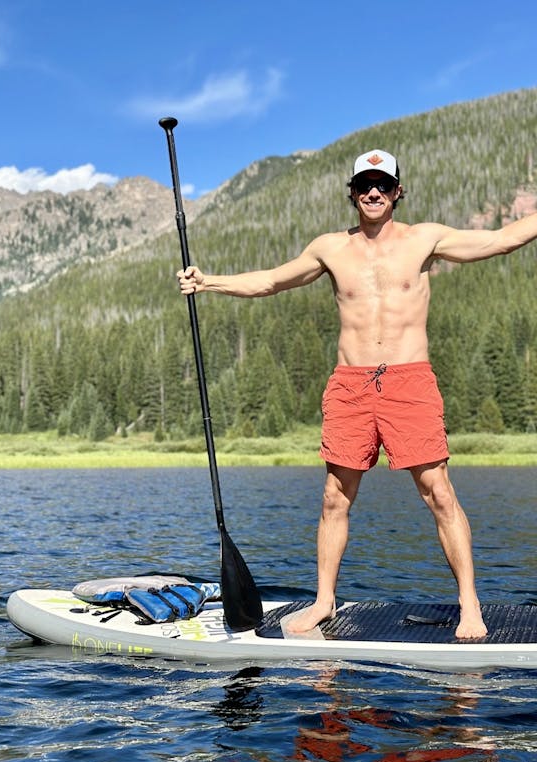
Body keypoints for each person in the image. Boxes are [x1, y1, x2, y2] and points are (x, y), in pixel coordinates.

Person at [177, 148, 537, 639]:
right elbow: (271, 281)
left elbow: (502, 239)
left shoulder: (424, 239)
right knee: (333, 498)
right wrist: (209, 281)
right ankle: (324, 602)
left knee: (439, 493)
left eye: (382, 185)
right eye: (364, 185)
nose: (373, 192)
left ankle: (469, 604)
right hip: (350, 386)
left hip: (409, 381)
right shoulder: (330, 248)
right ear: (352, 193)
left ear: (397, 191)